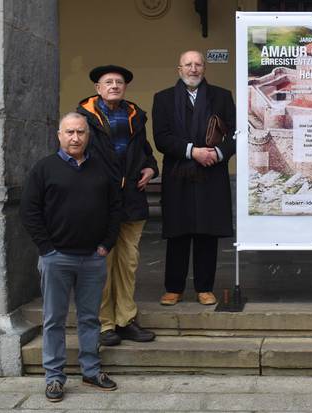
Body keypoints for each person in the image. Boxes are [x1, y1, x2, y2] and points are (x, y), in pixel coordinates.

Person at [20, 113, 120, 402]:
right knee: (54, 319)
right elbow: (29, 211)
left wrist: (106, 244)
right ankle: (54, 377)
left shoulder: (101, 168)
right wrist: (46, 248)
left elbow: (116, 208)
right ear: (59, 135)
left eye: (80, 132)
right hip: (57, 258)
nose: (75, 138)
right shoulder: (44, 169)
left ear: (88, 135)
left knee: (90, 318)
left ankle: (91, 370)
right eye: (69, 132)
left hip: (93, 258)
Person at [77, 65, 159, 346]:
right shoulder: (85, 118)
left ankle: (126, 319)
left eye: (119, 82)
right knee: (101, 263)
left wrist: (150, 168)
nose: (114, 85)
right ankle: (103, 323)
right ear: (98, 88)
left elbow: (145, 151)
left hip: (132, 201)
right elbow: (74, 153)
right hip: (99, 202)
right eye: (108, 82)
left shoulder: (136, 116)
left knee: (128, 262)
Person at [152, 50, 236, 306]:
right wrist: (193, 152)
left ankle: (204, 287)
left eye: (198, 64)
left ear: (204, 69)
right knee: (178, 232)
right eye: (188, 64)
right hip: (178, 174)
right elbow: (161, 137)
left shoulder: (221, 96)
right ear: (179, 69)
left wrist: (219, 153)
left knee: (206, 233)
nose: (193, 69)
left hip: (212, 172)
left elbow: (235, 132)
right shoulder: (163, 99)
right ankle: (174, 287)